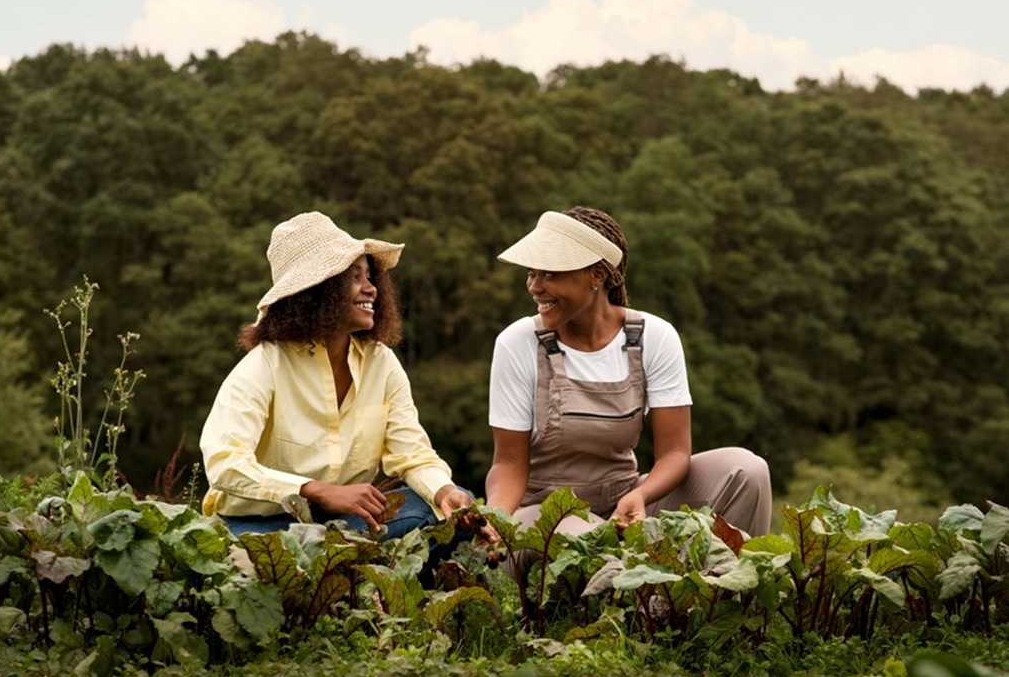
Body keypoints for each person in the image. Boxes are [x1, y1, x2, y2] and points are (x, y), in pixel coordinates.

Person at [484, 206, 772, 542]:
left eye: (549, 274)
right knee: (586, 540)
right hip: (545, 513)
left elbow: (675, 453)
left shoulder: (653, 336)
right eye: (531, 274)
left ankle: (721, 575)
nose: (534, 287)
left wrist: (641, 495)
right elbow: (509, 464)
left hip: (624, 499)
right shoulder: (517, 342)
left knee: (747, 471)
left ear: (597, 275)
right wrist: (495, 519)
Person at [200, 211, 475, 539]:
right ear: (318, 291)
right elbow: (224, 463)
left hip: (344, 523)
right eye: (354, 277)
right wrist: (316, 490)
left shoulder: (381, 363)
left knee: (450, 508)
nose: (371, 289)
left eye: (369, 276)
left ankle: (344, 555)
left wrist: (444, 491)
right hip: (260, 526)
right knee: (293, 551)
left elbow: (411, 453)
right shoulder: (265, 364)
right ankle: (338, 558)